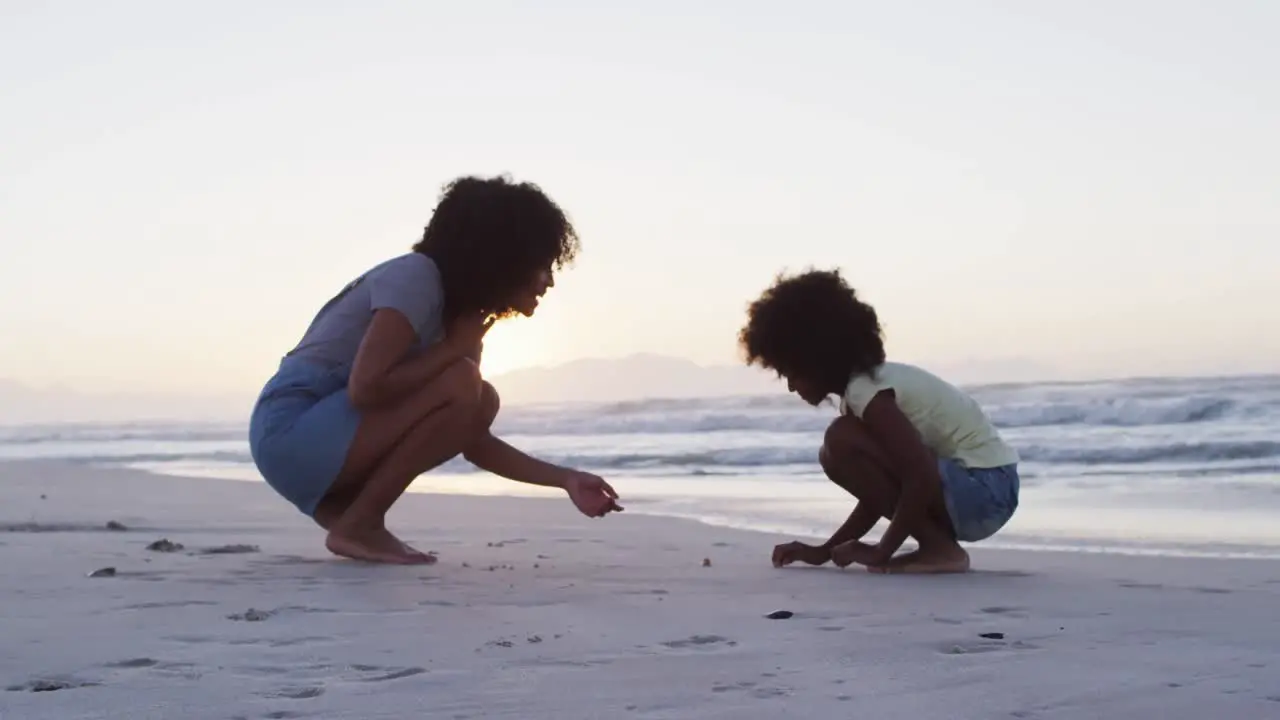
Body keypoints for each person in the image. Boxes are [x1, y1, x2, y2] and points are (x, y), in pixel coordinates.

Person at [248, 175, 623, 565]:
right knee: (466, 381)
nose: (548, 280)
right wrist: (452, 351)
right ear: (501, 255)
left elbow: (471, 438)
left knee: (480, 397)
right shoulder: (416, 277)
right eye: (541, 264)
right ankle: (360, 523)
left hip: (326, 446)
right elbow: (366, 388)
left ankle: (354, 517)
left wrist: (565, 480)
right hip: (289, 431)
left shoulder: (460, 323)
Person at [738, 268, 1019, 574]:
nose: (791, 387)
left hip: (986, 489)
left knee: (838, 441)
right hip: (986, 492)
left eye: (790, 373)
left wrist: (881, 551)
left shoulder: (867, 392)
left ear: (815, 360)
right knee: (834, 449)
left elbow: (919, 473)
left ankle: (940, 550)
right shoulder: (862, 393)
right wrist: (823, 552)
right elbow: (881, 494)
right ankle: (938, 546)